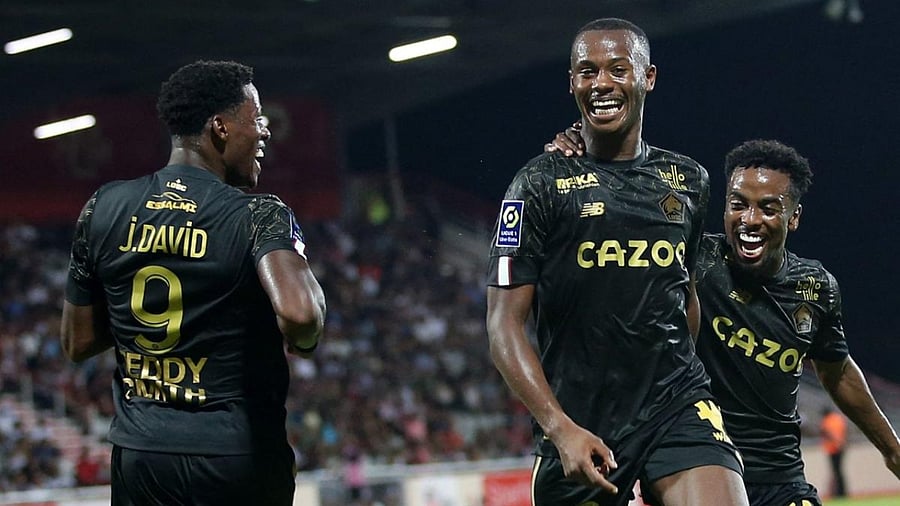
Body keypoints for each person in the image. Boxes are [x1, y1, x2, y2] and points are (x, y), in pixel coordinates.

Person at [547, 133, 900, 504]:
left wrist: (892, 450)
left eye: (768, 208)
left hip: (778, 479)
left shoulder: (816, 288)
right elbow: (618, 221)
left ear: (794, 217)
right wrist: (589, 153)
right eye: (738, 205)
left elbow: (837, 371)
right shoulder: (692, 260)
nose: (750, 220)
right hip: (689, 466)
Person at [485, 18, 748, 506]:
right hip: (581, 419)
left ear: (647, 78)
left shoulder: (689, 180)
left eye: (617, 69)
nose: (601, 82)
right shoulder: (537, 184)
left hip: (677, 403)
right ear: (571, 83)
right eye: (587, 72)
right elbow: (503, 325)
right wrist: (560, 429)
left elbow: (684, 294)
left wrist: (675, 373)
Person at [60, 60, 326, 506]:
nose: (264, 133)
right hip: (234, 454)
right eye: (256, 120)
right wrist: (306, 332)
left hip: (141, 454)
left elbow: (77, 341)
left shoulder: (103, 206)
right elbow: (300, 316)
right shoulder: (257, 214)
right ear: (220, 128)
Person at [820, 406, 848, 498]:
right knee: (839, 471)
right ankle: (842, 491)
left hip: (832, 448)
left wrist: (836, 442)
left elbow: (827, 433)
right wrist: (842, 442)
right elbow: (845, 430)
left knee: (836, 471)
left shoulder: (826, 421)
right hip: (841, 447)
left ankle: (839, 492)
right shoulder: (838, 418)